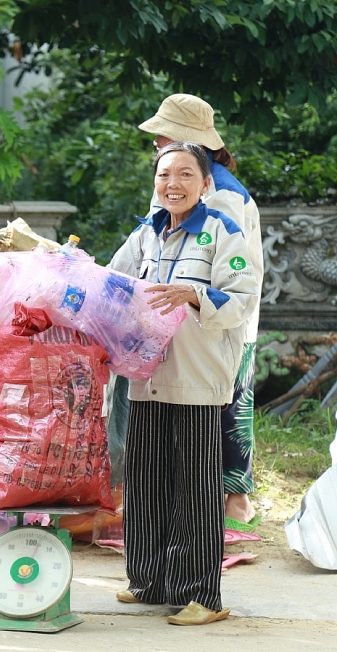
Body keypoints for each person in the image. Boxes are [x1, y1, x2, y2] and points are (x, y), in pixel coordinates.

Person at [110, 142, 258, 625]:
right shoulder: (145, 235)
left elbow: (241, 299)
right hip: (148, 374)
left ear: (205, 182)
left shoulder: (222, 231)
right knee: (147, 479)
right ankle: (150, 579)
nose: (172, 183)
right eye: (164, 175)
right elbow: (112, 281)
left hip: (197, 376)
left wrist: (193, 294)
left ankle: (202, 595)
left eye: (185, 174)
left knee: (195, 487)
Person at [138, 94, 264, 528]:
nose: (156, 142)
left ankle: (228, 503)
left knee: (221, 410)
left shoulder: (220, 195)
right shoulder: (191, 180)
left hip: (213, 321)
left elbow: (228, 273)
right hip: (185, 322)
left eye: (163, 135)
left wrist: (191, 296)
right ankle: (219, 504)